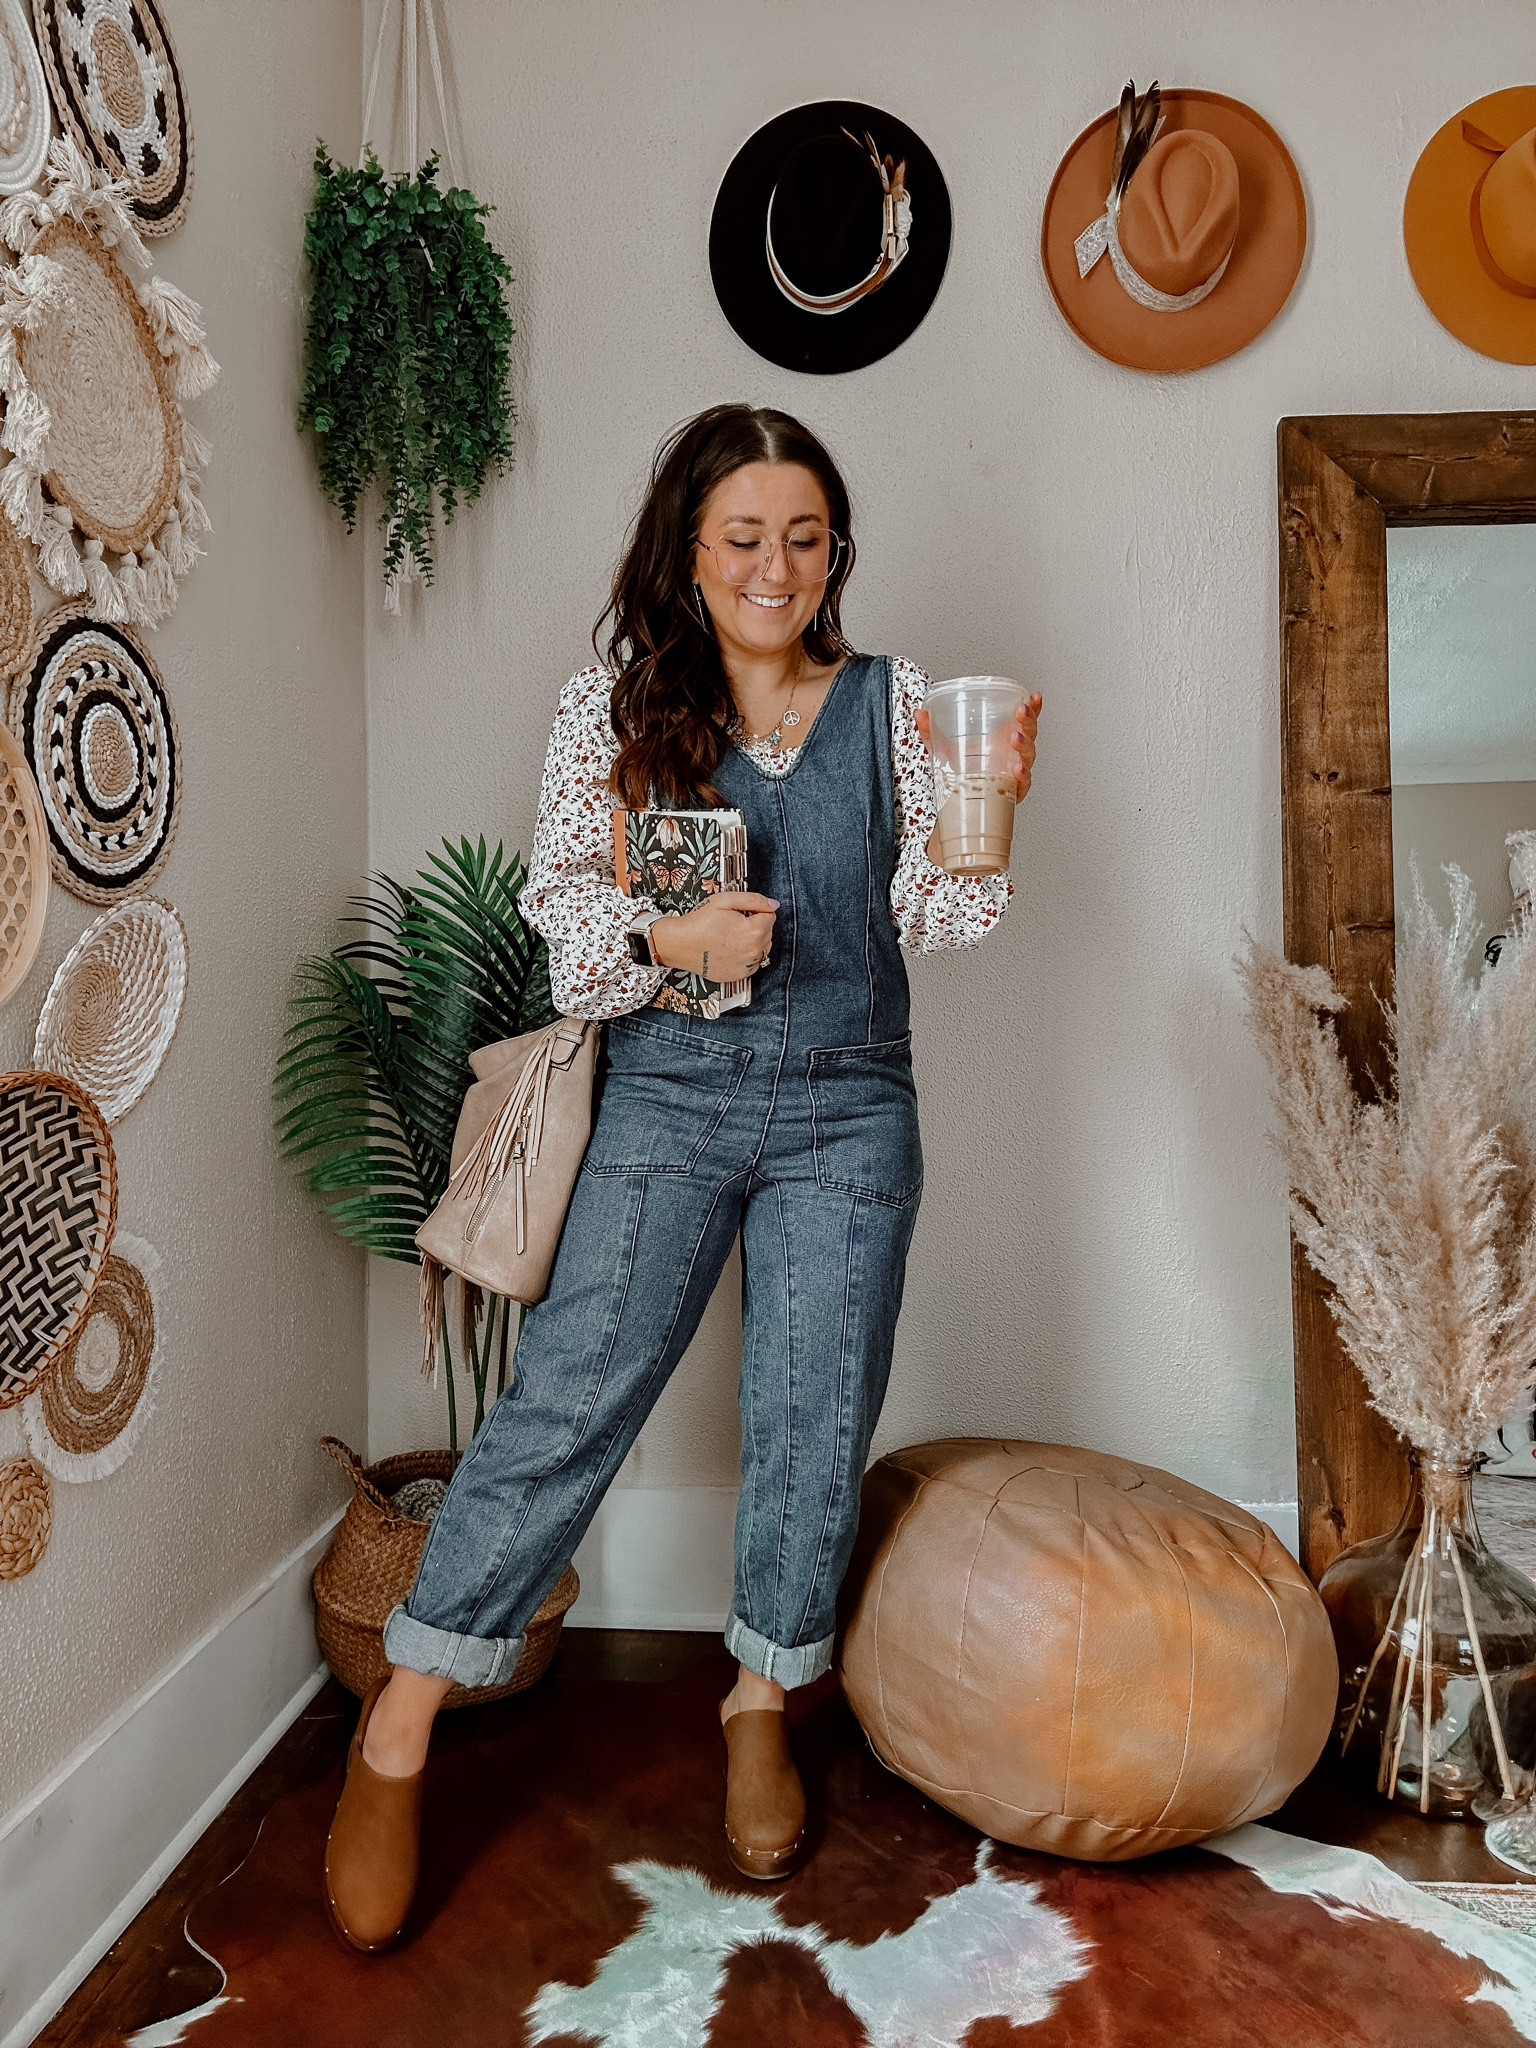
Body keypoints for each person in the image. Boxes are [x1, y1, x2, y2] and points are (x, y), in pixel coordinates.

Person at [323, 403, 1041, 1951]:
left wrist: (987, 819)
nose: (774, 565)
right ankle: (406, 1714)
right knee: (570, 1396)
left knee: (809, 1411)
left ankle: (758, 1700)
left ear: (834, 549)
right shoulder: (615, 712)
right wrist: (667, 936)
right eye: (742, 537)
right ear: (690, 550)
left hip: (851, 1106)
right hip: (668, 1093)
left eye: (802, 535)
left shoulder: (895, 704)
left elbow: (945, 923)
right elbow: (561, 926)